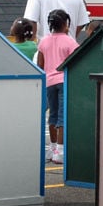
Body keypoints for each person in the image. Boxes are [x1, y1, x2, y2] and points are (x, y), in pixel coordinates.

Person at [37, 9, 80, 165]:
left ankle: (52, 148)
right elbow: (76, 63)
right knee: (63, 115)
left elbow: (40, 64)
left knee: (53, 115)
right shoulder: (70, 42)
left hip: (49, 81)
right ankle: (60, 151)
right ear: (65, 24)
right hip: (64, 80)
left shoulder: (43, 42)